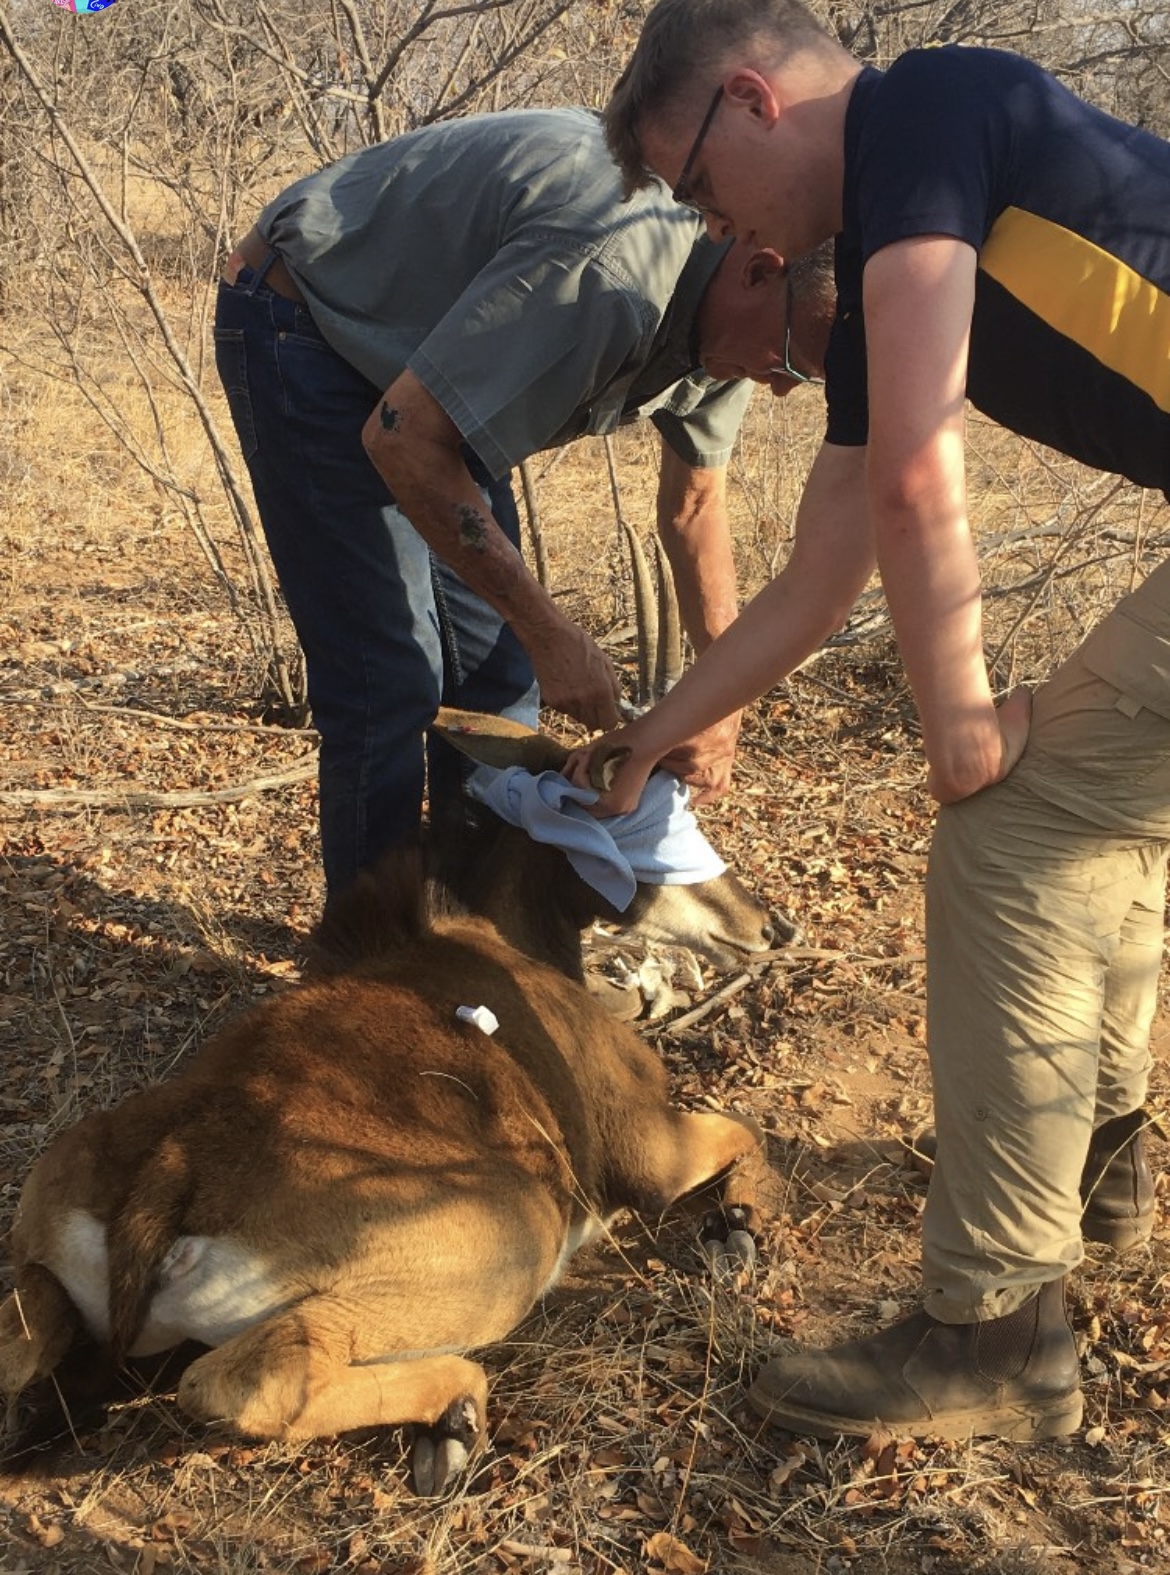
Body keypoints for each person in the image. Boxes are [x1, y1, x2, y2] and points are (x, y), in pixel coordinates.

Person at [574, 0, 1170, 1442]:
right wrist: (657, 728)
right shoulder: (900, 220)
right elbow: (817, 567)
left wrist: (957, 717)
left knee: (1016, 824)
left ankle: (995, 1329)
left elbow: (914, 476)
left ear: (750, 100)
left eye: (702, 190)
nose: (722, 234)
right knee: (1088, 813)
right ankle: (1096, 1164)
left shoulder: (927, 113)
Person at [215, 105, 831, 901]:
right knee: (390, 678)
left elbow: (693, 508)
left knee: (500, 682)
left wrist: (720, 703)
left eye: (805, 379)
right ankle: (372, 967)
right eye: (792, 360)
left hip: (430, 382)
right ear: (758, 268)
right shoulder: (611, 277)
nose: (781, 386)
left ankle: (470, 937)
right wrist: (551, 629)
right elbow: (403, 439)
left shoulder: (738, 339)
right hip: (310, 320)